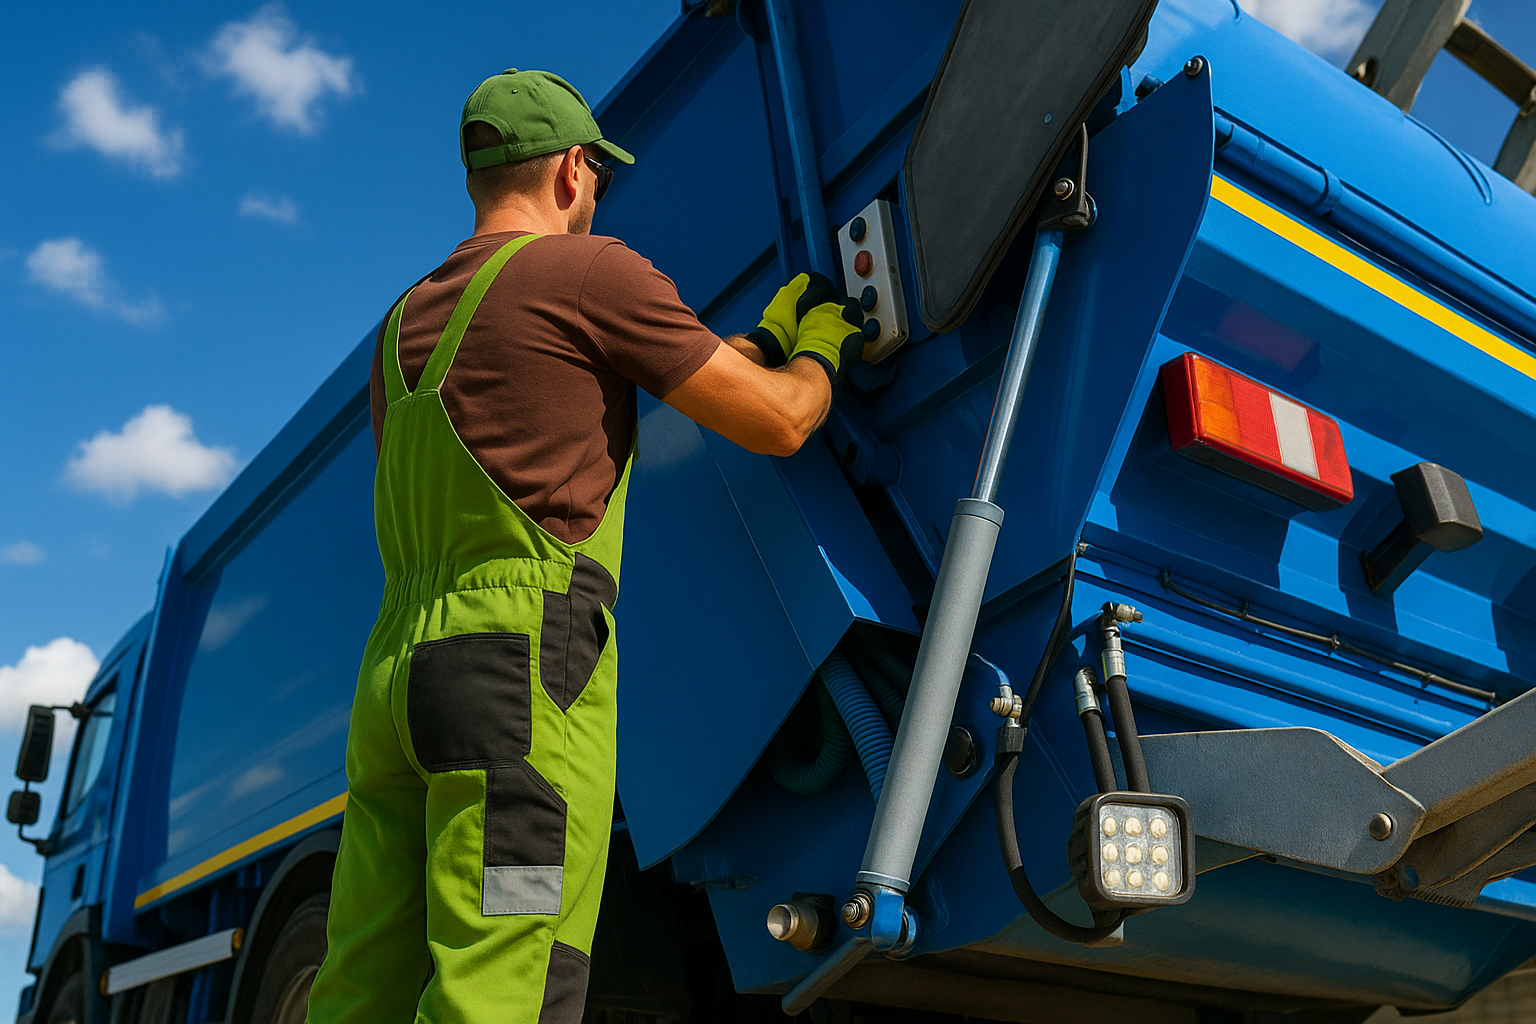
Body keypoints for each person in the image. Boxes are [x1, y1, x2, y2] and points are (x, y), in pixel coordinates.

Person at [304, 68, 864, 1024]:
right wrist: (820, 346)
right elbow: (778, 423)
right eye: (598, 176)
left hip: (399, 680)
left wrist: (758, 341)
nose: (597, 195)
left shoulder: (406, 325)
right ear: (571, 169)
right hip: (516, 684)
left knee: (363, 986)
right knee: (508, 978)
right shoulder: (593, 273)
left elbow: (607, 373)